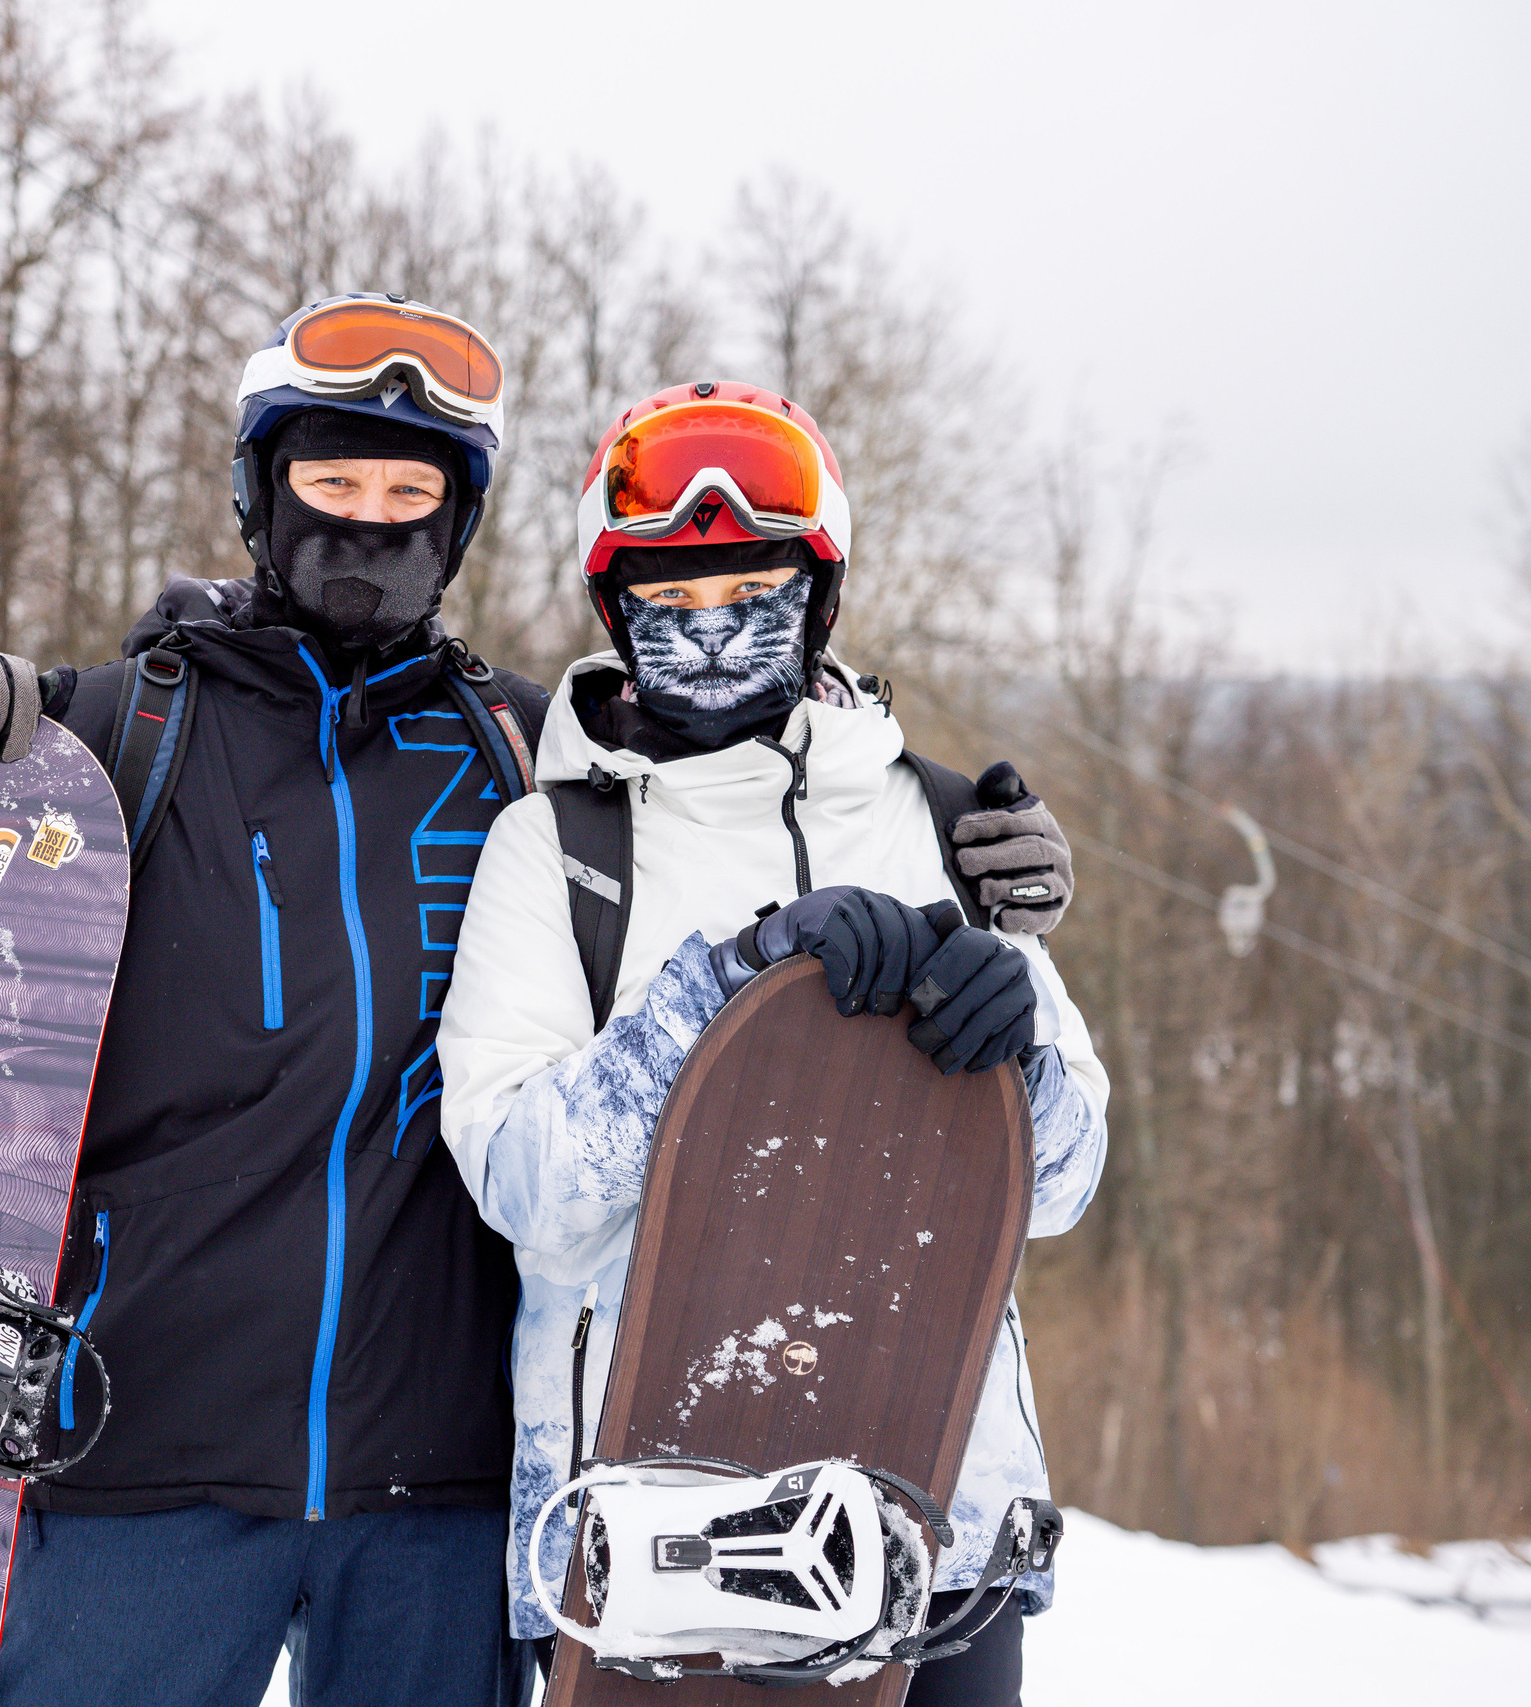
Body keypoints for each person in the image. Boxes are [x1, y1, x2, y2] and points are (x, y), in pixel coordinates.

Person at [0, 295, 546, 1707]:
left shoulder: (526, 759)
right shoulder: (117, 733)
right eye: (334, 484)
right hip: (141, 1446)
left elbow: (737, 791)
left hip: (438, 1478)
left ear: (458, 523)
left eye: (410, 496)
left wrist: (956, 830)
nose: (370, 524)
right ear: (262, 491)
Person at [436, 381, 1106, 1705]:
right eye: (673, 597)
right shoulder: (561, 850)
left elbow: (1065, 1188)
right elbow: (522, 1181)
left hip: (934, 1527)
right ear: (616, 607)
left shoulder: (942, 824)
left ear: (821, 598)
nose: (713, 628)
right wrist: (727, 988)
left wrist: (1019, 1054)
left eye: (752, 590)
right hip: (655, 1539)